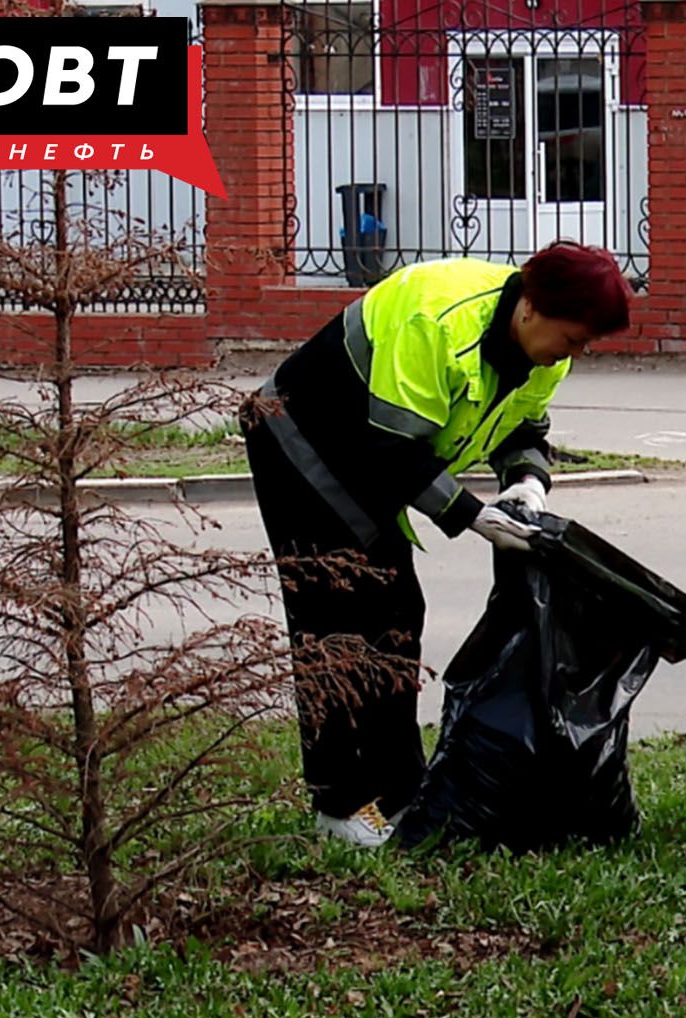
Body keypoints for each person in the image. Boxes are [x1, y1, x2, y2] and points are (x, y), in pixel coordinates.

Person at [242, 242, 634, 847]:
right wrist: (475, 517)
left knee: (396, 614)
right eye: (574, 338)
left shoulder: (545, 352)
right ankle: (339, 803)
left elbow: (524, 427)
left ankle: (400, 793)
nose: (576, 353)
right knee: (335, 619)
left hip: (366, 459)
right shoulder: (437, 322)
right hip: (299, 441)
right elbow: (392, 452)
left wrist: (526, 483)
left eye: (586, 344)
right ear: (531, 307)